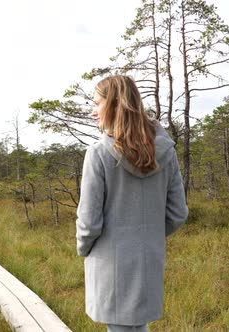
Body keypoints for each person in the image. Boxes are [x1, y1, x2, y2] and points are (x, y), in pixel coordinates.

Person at [76, 75, 188, 332]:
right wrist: (148, 236)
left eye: (97, 103)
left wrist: (84, 248)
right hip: (148, 260)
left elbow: (89, 223)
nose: (93, 112)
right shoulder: (165, 151)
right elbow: (178, 213)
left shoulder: (99, 154)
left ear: (114, 105)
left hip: (109, 265)